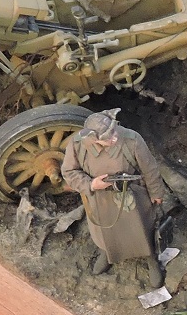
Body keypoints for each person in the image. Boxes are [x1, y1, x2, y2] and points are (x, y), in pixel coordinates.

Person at [59, 109, 171, 288]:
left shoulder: (132, 139)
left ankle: (150, 257)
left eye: (113, 131)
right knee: (104, 232)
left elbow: (149, 169)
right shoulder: (77, 144)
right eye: (107, 137)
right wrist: (91, 184)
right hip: (99, 199)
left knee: (142, 229)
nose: (114, 137)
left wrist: (156, 193)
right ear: (93, 139)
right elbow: (69, 172)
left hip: (132, 196)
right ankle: (108, 252)